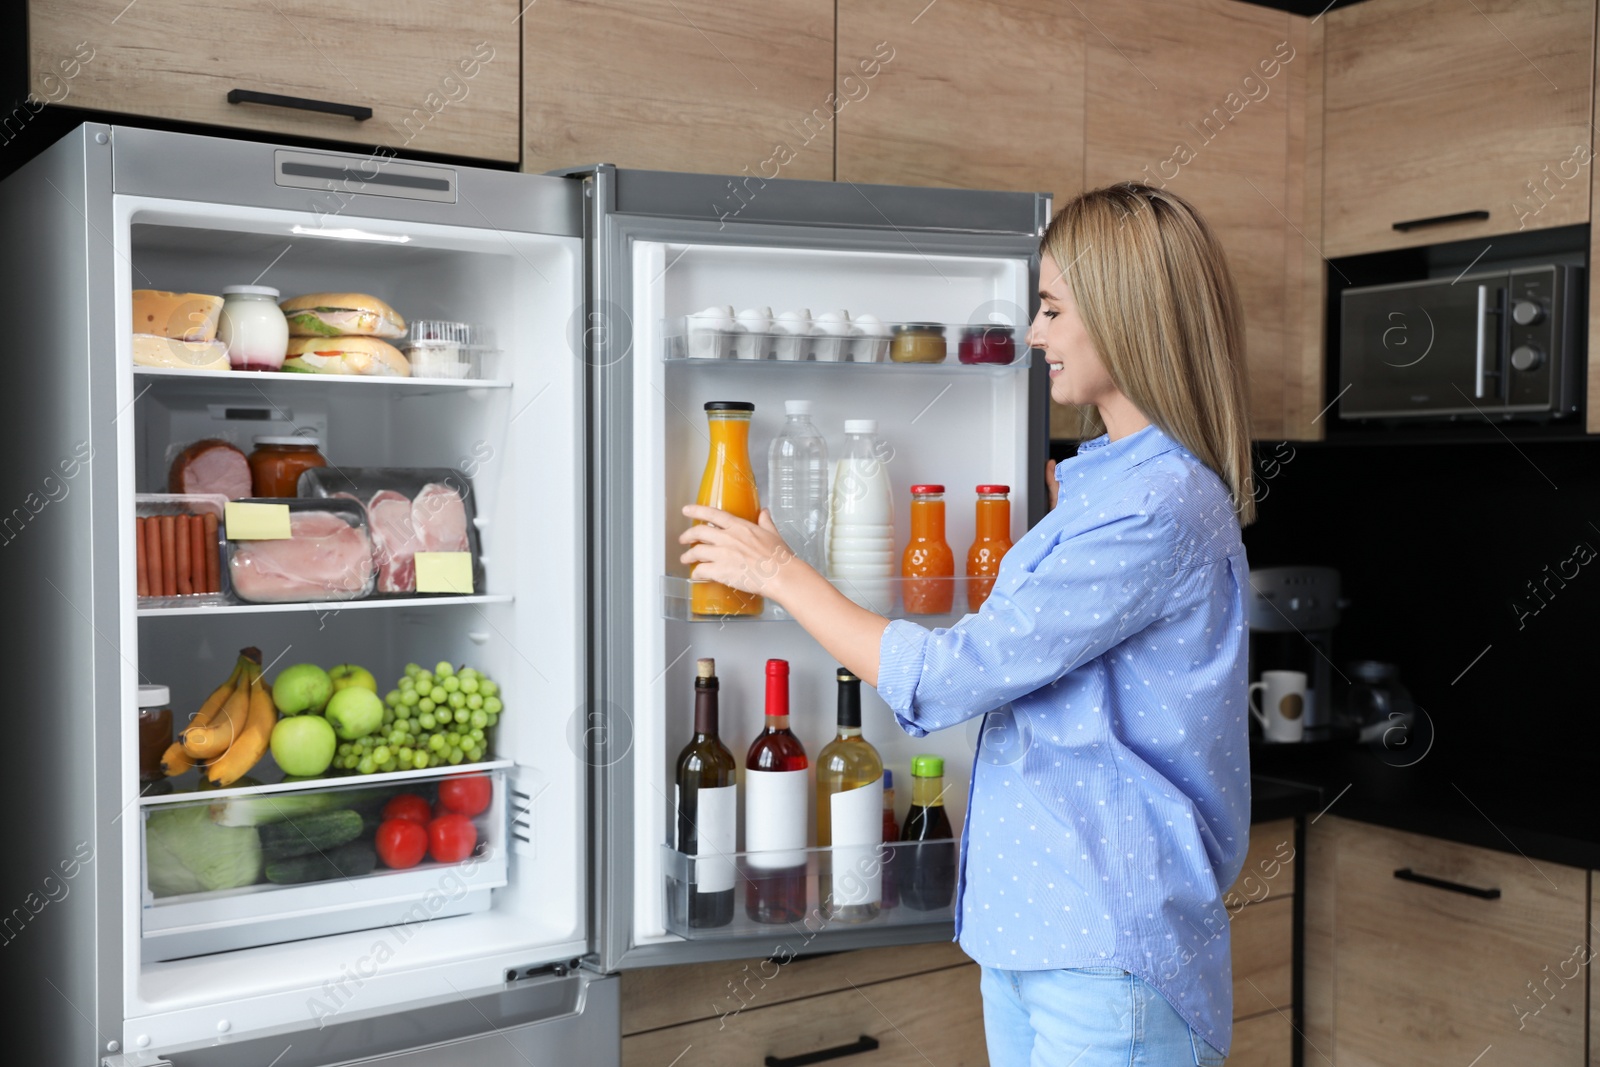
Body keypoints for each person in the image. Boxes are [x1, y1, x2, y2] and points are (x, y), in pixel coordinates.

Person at [679, 181, 1254, 1067]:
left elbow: (953, 673)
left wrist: (779, 573)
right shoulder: (1111, 484)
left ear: (1127, 315)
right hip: (1027, 936)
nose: (1033, 334)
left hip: (1109, 950)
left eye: (1055, 308)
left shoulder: (1156, 504)